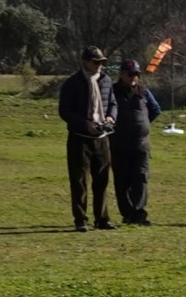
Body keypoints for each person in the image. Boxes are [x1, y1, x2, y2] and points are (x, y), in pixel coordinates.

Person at [58, 46, 119, 232]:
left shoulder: (106, 80)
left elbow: (113, 103)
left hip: (102, 138)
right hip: (80, 138)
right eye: (95, 62)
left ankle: (102, 219)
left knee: (102, 180)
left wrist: (111, 117)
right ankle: (80, 220)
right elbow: (64, 111)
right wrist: (85, 124)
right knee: (79, 181)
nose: (99, 65)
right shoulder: (72, 83)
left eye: (102, 62)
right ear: (85, 62)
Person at [111, 59, 161, 225]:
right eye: (130, 73)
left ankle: (139, 213)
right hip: (119, 144)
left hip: (141, 144)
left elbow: (155, 109)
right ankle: (127, 214)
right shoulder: (112, 91)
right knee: (122, 180)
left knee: (140, 178)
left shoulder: (144, 91)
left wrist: (142, 125)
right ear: (121, 74)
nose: (134, 77)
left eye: (136, 74)